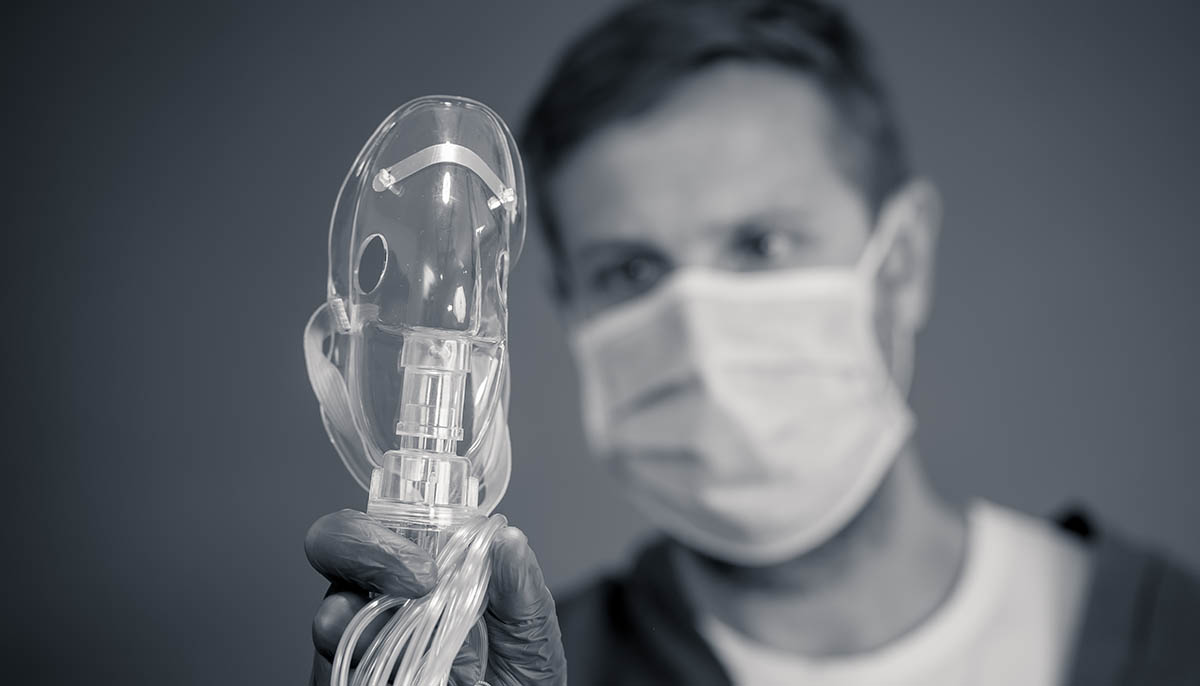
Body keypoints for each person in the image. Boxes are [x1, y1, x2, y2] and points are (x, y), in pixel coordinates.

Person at [305, 1, 1200, 684]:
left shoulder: (1168, 643)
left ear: (904, 261)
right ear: (569, 306)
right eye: (631, 271)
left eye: (761, 246)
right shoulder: (515, 660)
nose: (699, 326)